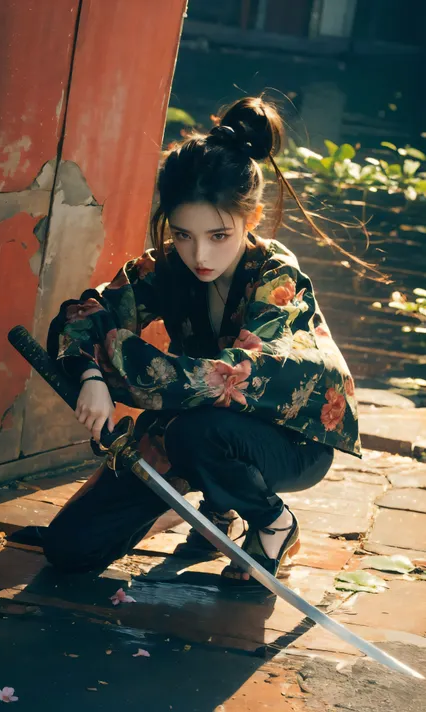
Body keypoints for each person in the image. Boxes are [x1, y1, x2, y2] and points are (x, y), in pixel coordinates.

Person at [43, 96, 361, 585]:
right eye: (184, 234)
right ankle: (210, 505)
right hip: (191, 427)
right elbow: (86, 311)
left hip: (284, 440)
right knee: (70, 548)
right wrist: (89, 374)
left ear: (249, 220)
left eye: (217, 235)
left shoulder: (277, 277)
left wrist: (116, 365)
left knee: (198, 432)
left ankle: (273, 522)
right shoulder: (166, 268)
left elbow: (229, 377)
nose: (199, 254)